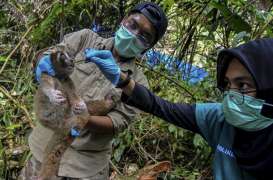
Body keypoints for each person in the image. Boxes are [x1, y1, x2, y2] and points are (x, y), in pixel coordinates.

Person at [86, 38, 273, 180]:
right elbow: (162, 107)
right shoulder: (219, 118)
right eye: (227, 84)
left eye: (242, 86)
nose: (231, 95)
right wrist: (122, 79)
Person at [19, 2, 168, 180]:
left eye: (144, 36)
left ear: (148, 46)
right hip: (44, 147)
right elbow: (53, 52)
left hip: (85, 166)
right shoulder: (86, 39)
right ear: (123, 21)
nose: (134, 35)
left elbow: (117, 122)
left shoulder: (138, 83)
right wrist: (46, 61)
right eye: (133, 25)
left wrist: (83, 119)